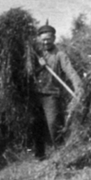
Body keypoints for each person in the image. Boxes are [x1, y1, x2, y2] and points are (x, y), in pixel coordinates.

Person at [30, 23, 82, 158]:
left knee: (53, 124)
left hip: (51, 95)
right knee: (36, 124)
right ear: (39, 39)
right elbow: (28, 73)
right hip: (36, 94)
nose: (46, 42)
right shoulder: (35, 54)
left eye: (48, 38)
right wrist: (39, 66)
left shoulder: (60, 55)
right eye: (43, 39)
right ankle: (39, 155)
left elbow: (70, 71)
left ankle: (61, 153)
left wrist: (78, 86)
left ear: (54, 38)